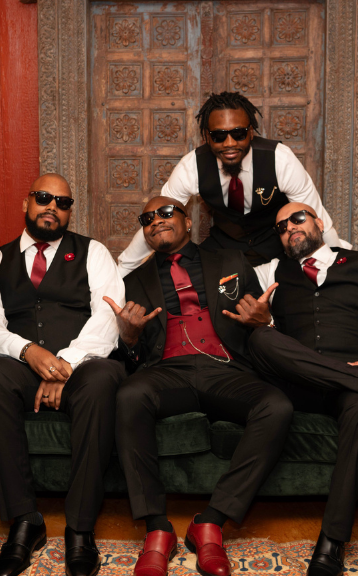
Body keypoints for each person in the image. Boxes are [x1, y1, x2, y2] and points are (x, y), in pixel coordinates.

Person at [106, 196, 293, 576]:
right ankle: (157, 527)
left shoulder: (231, 261)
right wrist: (129, 337)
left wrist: (266, 319)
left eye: (166, 212)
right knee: (129, 395)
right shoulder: (132, 282)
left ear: (189, 221)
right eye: (147, 218)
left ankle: (211, 521)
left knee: (277, 406)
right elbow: (133, 357)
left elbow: (261, 320)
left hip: (225, 368)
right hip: (167, 370)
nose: (156, 221)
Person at [237, 202, 358, 576]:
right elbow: (222, 283)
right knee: (261, 339)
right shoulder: (269, 271)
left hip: (351, 384)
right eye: (281, 227)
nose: (290, 228)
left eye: (298, 218)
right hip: (297, 383)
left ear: (319, 223)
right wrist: (263, 320)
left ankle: (332, 542)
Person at [0, 174, 126, 576]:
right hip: (21, 364)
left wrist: (64, 364)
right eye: (44, 197)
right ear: (26, 203)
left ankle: (80, 526)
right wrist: (29, 352)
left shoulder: (93, 252)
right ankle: (25, 519)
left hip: (82, 364)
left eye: (63, 202)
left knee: (102, 381)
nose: (53, 207)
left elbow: (108, 315)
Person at [117, 91, 350, 274]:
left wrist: (339, 265)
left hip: (276, 245)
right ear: (207, 137)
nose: (229, 143)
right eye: (219, 136)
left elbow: (316, 217)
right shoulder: (192, 166)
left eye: (238, 134)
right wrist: (123, 269)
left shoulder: (280, 159)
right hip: (225, 247)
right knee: (184, 275)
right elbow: (159, 218)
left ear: (251, 132)